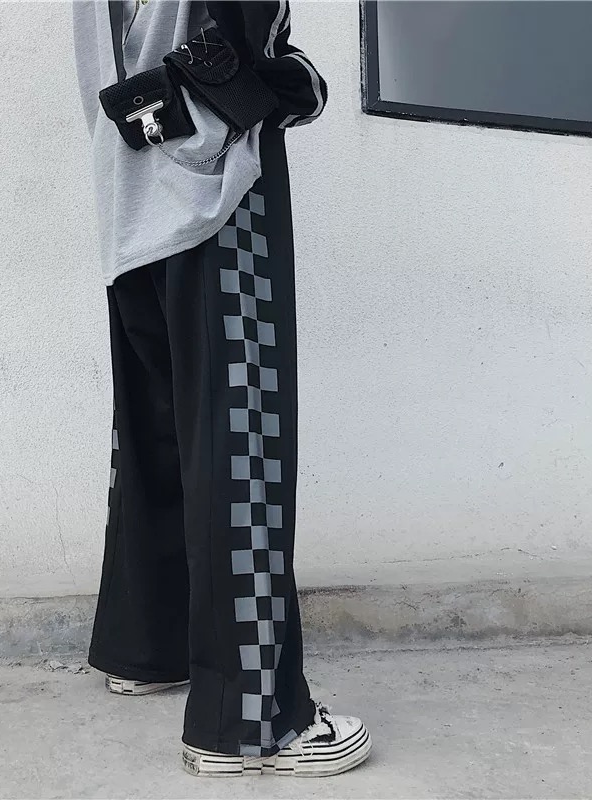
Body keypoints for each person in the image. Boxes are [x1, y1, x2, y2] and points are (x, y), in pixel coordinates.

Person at [72, 0, 372, 777]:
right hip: (216, 199)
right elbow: (248, 49)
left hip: (127, 189)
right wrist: (300, 86)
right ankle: (252, 723)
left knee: (158, 432)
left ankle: (149, 648)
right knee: (242, 448)